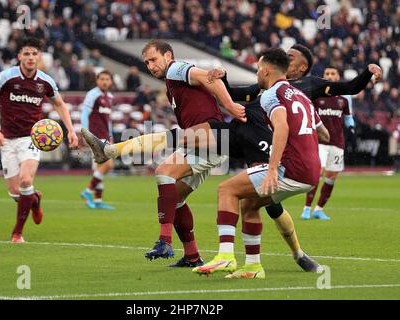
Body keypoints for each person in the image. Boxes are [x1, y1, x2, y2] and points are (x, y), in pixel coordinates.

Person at [82, 44, 382, 272]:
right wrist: (220, 80)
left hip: (266, 145)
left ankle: (296, 253)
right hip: (243, 138)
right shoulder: (265, 87)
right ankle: (228, 260)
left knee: (263, 204)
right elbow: (239, 95)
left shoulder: (306, 87)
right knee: (235, 200)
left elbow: (349, 88)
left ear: (300, 68)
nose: (282, 60)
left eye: (290, 58)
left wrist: (368, 72)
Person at [82, 39, 246, 267]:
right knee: (175, 200)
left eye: (153, 59)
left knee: (163, 170)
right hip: (203, 143)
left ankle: (110, 151)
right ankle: (192, 256)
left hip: (212, 135)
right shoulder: (171, 82)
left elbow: (207, 76)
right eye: (146, 62)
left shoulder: (176, 70)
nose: (150, 66)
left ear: (168, 55)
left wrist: (228, 105)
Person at [193, 47, 325, 278]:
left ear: (265, 70)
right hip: (312, 172)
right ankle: (253, 267)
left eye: (257, 70)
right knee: (250, 205)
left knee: (226, 189)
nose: (256, 75)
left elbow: (282, 125)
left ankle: (225, 256)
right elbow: (323, 135)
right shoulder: (301, 96)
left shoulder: (271, 94)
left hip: (291, 168)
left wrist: (273, 168)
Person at [0, 37, 78, 243]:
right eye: (27, 53)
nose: (31, 57)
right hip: (6, 139)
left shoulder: (45, 81)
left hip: (32, 137)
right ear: (19, 57)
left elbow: (59, 104)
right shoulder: (6, 77)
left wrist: (70, 130)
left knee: (26, 180)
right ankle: (34, 200)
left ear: (39, 56)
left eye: (34, 54)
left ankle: (17, 233)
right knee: (16, 193)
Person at [302, 66, 355, 220]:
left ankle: (318, 209)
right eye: (327, 74)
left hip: (337, 142)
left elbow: (348, 116)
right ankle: (306, 208)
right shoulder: (316, 96)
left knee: (332, 176)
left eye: (333, 73)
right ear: (323, 76)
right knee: (317, 173)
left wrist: (351, 128)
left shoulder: (344, 98)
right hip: (320, 141)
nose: (330, 76)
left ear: (338, 77)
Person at [80, 70, 115, 210]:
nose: (105, 81)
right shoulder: (92, 95)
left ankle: (98, 199)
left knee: (99, 167)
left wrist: (110, 136)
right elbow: (84, 114)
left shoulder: (110, 97)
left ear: (111, 81)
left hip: (105, 136)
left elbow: (109, 120)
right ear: (97, 80)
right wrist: (84, 133)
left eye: (107, 79)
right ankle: (88, 191)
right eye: (102, 79)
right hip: (95, 136)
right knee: (108, 165)